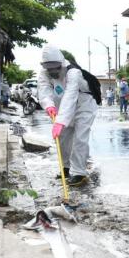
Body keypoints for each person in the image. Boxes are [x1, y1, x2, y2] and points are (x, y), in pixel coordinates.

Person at [37, 44, 98, 186]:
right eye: (49, 68)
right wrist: (49, 105)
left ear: (61, 64)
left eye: (55, 68)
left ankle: (79, 173)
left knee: (79, 139)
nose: (52, 71)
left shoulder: (73, 72)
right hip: (62, 106)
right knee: (62, 139)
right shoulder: (44, 73)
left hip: (84, 105)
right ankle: (66, 167)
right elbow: (44, 91)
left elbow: (71, 95)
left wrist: (60, 121)